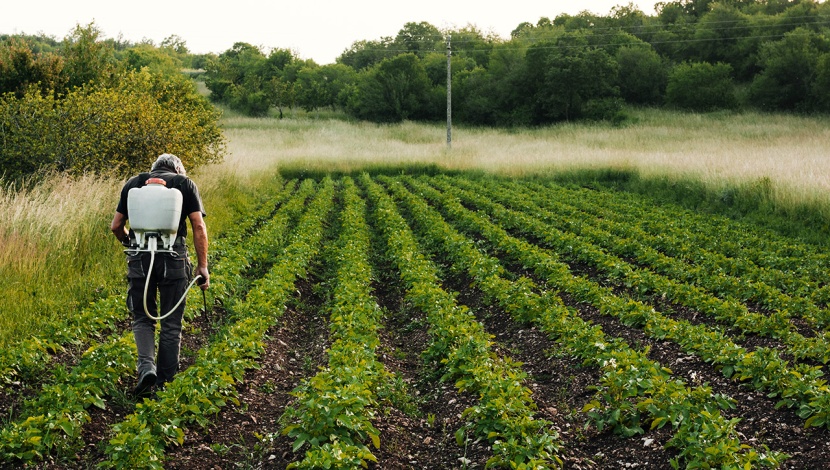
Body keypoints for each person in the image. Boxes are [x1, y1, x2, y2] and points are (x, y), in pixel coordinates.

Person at [110, 153, 210, 397]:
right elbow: (198, 225)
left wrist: (129, 242)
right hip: (174, 259)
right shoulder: (185, 184)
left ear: (154, 168)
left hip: (140, 258)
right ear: (177, 168)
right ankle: (165, 385)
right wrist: (202, 266)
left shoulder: (133, 184)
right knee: (171, 323)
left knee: (143, 318)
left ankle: (146, 370)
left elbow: (115, 226)